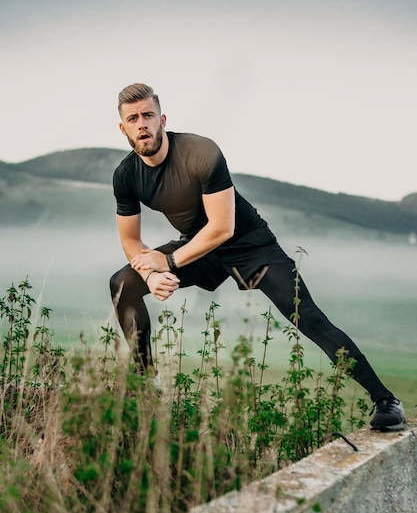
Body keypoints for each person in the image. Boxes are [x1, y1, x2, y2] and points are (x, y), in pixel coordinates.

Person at [110, 82, 405, 431]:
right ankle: (146, 383)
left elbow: (222, 227)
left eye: (148, 115)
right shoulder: (126, 175)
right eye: (133, 118)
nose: (142, 123)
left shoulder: (201, 152)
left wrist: (170, 262)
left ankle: (386, 400)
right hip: (196, 245)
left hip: (249, 242)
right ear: (123, 127)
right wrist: (150, 274)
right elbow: (131, 241)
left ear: (162, 118)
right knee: (122, 283)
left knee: (307, 316)